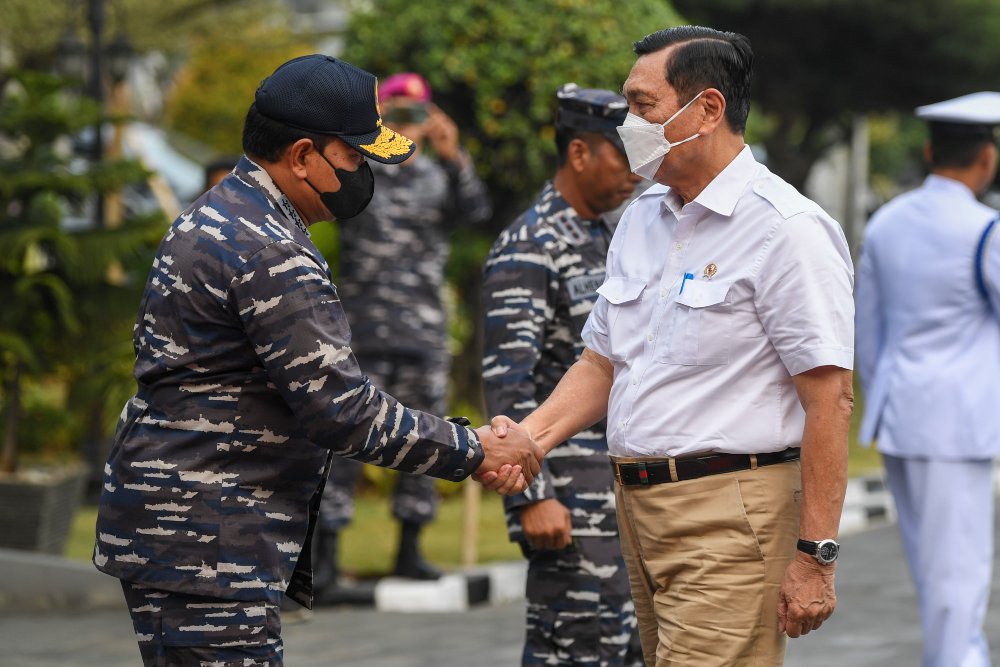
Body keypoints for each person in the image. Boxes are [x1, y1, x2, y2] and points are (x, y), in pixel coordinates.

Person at [92, 54, 540, 667]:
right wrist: (475, 450)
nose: (362, 173)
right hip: (208, 537)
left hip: (186, 526)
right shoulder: (268, 249)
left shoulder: (221, 212)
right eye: (354, 157)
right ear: (302, 155)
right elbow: (342, 411)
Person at [513, 26, 856, 666]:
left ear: (707, 109)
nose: (627, 122)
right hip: (640, 513)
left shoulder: (787, 230)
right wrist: (530, 439)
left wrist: (817, 556)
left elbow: (830, 399)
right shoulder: (644, 218)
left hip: (730, 514)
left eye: (643, 105)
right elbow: (602, 362)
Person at [481, 83, 643, 666]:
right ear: (580, 153)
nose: (637, 174)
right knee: (575, 648)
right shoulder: (529, 246)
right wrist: (530, 499)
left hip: (622, 490)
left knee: (628, 648)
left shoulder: (615, 237)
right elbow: (508, 382)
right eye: (623, 157)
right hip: (569, 499)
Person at [315, 72, 493, 592]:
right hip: (362, 328)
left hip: (423, 333)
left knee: (425, 440)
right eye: (397, 112)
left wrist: (453, 153)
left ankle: (410, 552)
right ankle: (325, 557)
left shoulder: (443, 177)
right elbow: (339, 199)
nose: (407, 122)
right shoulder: (362, 168)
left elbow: (477, 211)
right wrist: (374, 139)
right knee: (346, 440)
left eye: (416, 113)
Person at [856, 92, 1000, 667]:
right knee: (958, 580)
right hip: (957, 423)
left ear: (927, 150)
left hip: (898, 415)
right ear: (986, 157)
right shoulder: (984, 228)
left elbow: (867, 330)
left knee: (931, 572)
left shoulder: (887, 222)